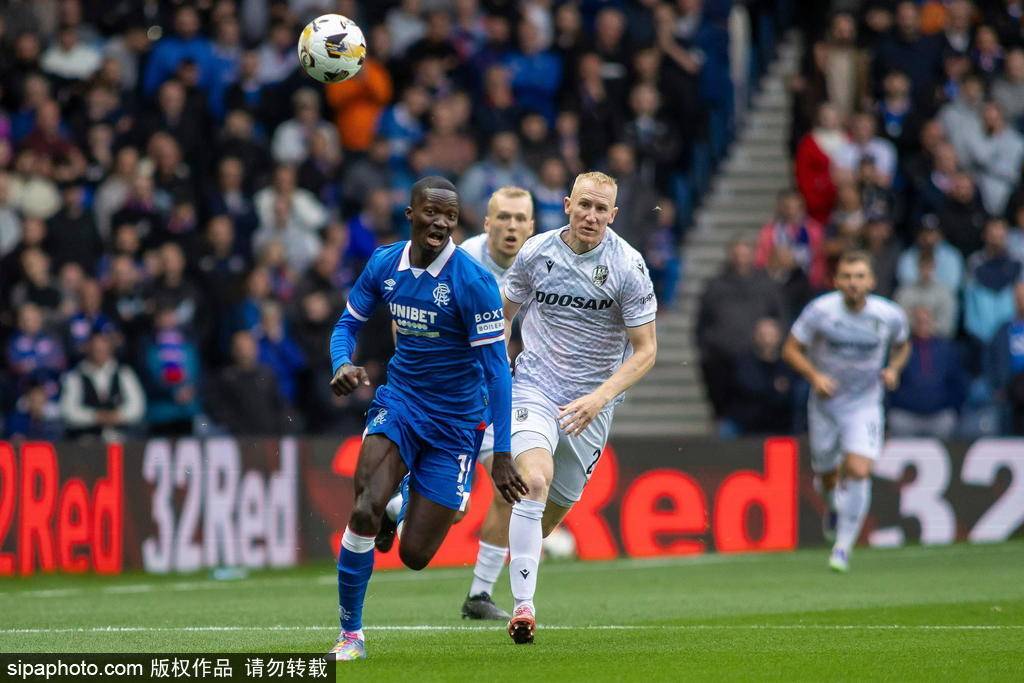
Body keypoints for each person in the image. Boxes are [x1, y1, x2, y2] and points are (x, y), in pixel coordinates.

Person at [328, 177, 523, 661]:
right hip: (400, 405)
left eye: (450, 216)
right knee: (363, 509)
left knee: (414, 555)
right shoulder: (384, 264)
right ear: (410, 214)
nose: (440, 222)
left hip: (456, 424)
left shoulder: (472, 282)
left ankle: (402, 504)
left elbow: (497, 372)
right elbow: (347, 323)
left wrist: (502, 451)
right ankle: (351, 635)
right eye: (431, 212)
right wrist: (342, 363)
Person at [499, 171, 658, 644]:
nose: (591, 215)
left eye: (601, 208)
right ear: (567, 204)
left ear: (614, 214)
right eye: (584, 205)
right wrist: (496, 370)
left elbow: (646, 351)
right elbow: (503, 315)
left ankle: (515, 548)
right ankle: (523, 608)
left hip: (591, 405)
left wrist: (599, 398)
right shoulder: (536, 252)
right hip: (535, 387)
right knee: (534, 481)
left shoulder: (628, 266)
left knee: (547, 519)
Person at [782, 251, 910, 573]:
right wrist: (815, 376)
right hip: (825, 404)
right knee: (827, 474)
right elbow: (791, 349)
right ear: (837, 281)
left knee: (858, 468)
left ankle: (842, 547)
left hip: (864, 403)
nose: (853, 283)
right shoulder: (820, 311)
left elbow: (903, 344)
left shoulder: (889, 315)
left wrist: (894, 369)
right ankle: (832, 505)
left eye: (859, 277)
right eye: (847, 277)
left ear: (871, 281)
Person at [450, 186, 534, 620]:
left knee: (512, 487)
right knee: (451, 508)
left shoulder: (540, 263)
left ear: (531, 226)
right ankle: (395, 507)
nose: (511, 226)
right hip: (454, 397)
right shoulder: (463, 261)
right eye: (503, 217)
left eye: (520, 218)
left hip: (500, 398)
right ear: (487, 223)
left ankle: (479, 595)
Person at [888, 307, 967, 439]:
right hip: (906, 415)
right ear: (913, 324)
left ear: (933, 323)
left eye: (926, 321)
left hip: (939, 415)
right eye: (919, 321)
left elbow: (957, 382)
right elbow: (892, 380)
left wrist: (953, 407)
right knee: (897, 421)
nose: (923, 325)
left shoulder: (947, 349)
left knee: (948, 422)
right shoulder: (902, 349)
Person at [59, 330, 145, 441]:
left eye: (103, 349)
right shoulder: (74, 376)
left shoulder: (124, 373)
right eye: (96, 350)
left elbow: (137, 406)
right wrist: (95, 417)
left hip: (120, 437)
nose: (100, 353)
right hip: (85, 439)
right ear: (88, 349)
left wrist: (117, 416)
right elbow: (68, 411)